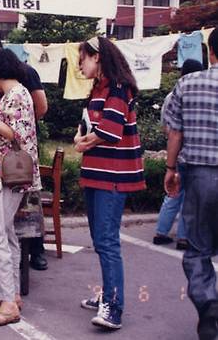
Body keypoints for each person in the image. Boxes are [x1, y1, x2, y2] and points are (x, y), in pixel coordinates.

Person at [74, 36, 144, 331]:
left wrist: (83, 143)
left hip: (112, 175)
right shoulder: (99, 89)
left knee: (106, 241)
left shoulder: (117, 88)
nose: (80, 65)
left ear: (98, 57)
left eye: (83, 59)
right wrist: (82, 139)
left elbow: (110, 131)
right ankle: (108, 294)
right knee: (101, 239)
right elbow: (90, 129)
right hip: (98, 173)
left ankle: (113, 306)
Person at [0, 48, 42, 326]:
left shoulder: (16, 94)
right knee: (6, 233)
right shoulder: (15, 95)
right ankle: (10, 294)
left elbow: (16, 133)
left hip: (4, 175)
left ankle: (8, 303)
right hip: (3, 174)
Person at [0, 33, 49, 272]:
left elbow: (22, 126)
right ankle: (10, 294)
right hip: (5, 166)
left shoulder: (19, 87)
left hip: (9, 168)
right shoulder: (6, 89)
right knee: (5, 232)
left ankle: (9, 296)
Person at [164, 29, 218, 340]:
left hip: (200, 176)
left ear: (211, 52)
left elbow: (175, 134)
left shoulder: (188, 83)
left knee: (198, 250)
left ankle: (208, 303)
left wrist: (170, 168)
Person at [153, 58, 204, 250]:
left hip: (175, 149)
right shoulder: (193, 94)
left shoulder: (170, 95)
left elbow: (167, 127)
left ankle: (161, 231)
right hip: (191, 149)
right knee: (189, 196)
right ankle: (183, 237)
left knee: (173, 192)